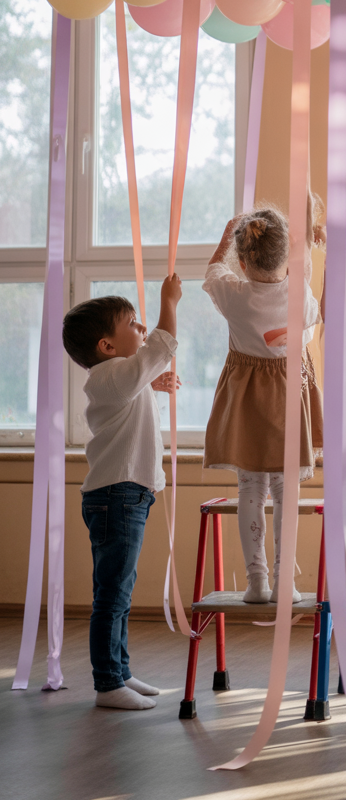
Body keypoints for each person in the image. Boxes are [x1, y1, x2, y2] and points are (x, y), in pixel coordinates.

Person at [63, 277, 182, 711]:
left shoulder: (113, 379)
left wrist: (153, 387)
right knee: (112, 593)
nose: (143, 327)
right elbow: (162, 345)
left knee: (119, 591)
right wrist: (170, 301)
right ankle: (108, 682)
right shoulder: (112, 376)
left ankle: (120, 671)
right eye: (133, 322)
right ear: (107, 347)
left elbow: (137, 381)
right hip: (118, 496)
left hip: (124, 496)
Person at [203, 194, 323, 604]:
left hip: (247, 401)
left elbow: (211, 271)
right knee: (287, 490)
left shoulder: (234, 296)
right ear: (287, 257)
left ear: (243, 259)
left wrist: (225, 238)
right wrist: (306, 228)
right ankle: (283, 581)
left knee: (250, 488)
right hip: (290, 397)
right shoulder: (299, 294)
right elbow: (308, 293)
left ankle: (257, 582)